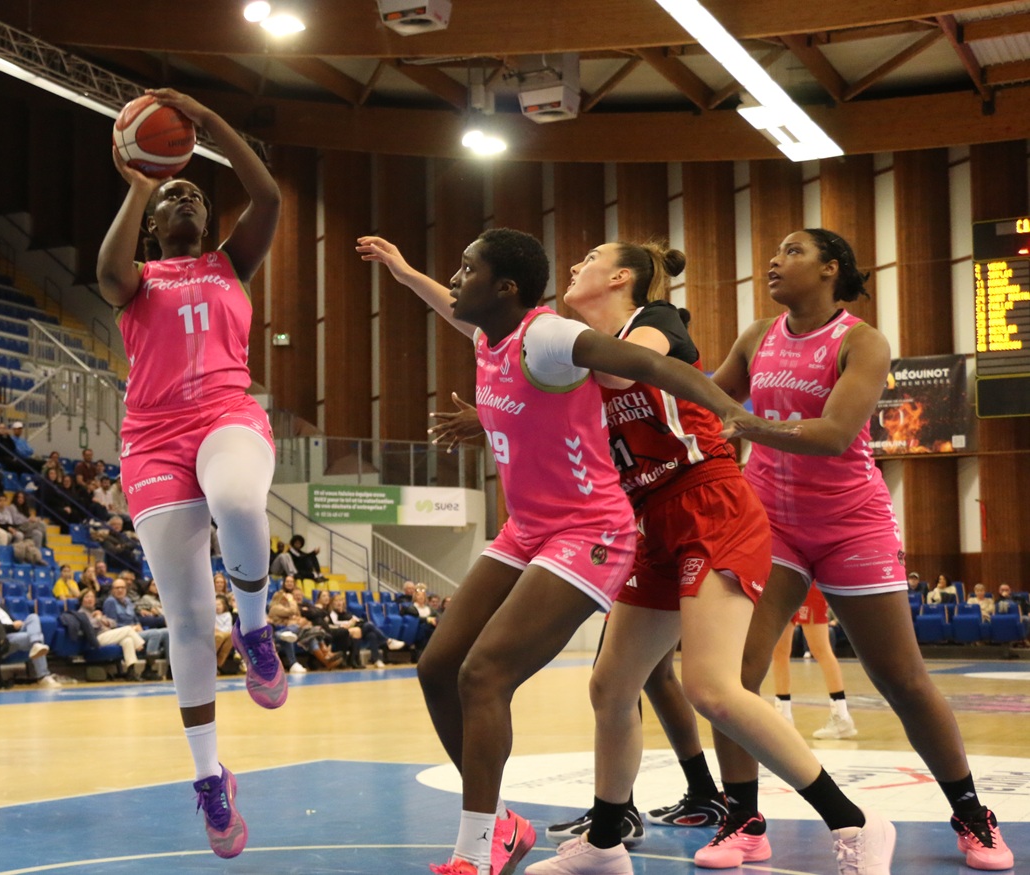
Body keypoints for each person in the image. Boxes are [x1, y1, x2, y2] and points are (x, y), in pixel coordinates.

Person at [356, 227, 784, 875]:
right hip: (526, 528)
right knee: (438, 666)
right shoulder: (486, 334)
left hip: (590, 530)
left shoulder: (547, 335)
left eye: (467, 268)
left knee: (485, 674)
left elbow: (652, 365)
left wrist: (730, 407)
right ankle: (503, 824)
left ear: (505, 289)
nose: (455, 279)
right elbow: (445, 306)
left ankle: (474, 850)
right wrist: (402, 268)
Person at [705, 228, 1008, 870]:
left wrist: (750, 425)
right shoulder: (757, 335)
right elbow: (709, 397)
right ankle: (743, 816)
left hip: (851, 524)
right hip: (769, 523)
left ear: (830, 268)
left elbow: (836, 434)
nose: (773, 260)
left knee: (901, 677)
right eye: (775, 250)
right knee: (733, 677)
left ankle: (971, 812)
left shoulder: (863, 341)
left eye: (791, 251)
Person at [98, 86, 285, 858]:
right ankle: (211, 780)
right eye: (169, 193)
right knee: (181, 617)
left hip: (225, 417)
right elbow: (106, 269)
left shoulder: (231, 261)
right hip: (151, 441)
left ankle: (257, 625)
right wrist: (140, 181)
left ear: (209, 222)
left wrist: (208, 125)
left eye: (193, 193)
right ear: (150, 220)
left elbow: (267, 191)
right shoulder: (136, 277)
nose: (184, 199)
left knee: (239, 499)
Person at [772, 585, 857, 741]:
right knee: (779, 651)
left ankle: (841, 716)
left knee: (820, 649)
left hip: (806, 583)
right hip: (782, 584)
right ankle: (783, 717)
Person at [0, 577, 59, 687]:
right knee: (38, 637)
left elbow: (12, 620)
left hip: (15, 631)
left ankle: (36, 644)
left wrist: (17, 624)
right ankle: (43, 675)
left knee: (33, 617)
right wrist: (12, 626)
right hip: (3, 638)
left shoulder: (1, 606)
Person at [105, 576, 167, 678]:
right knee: (155, 633)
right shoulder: (110, 602)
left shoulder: (128, 601)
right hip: (123, 633)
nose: (120, 590)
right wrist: (132, 627)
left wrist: (138, 624)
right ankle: (148, 668)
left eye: (122, 587)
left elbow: (135, 618)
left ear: (126, 589)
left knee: (166, 632)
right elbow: (112, 624)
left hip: (135, 631)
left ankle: (170, 669)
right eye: (117, 588)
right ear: (112, 590)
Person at [76, 587, 145, 678]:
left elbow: (113, 623)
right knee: (128, 629)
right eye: (87, 597)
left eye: (92, 597)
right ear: (82, 600)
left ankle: (131, 671)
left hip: (108, 635)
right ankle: (141, 646)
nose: (90, 599)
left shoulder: (96, 612)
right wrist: (99, 619)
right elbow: (91, 626)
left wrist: (102, 618)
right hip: (96, 639)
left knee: (128, 640)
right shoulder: (81, 613)